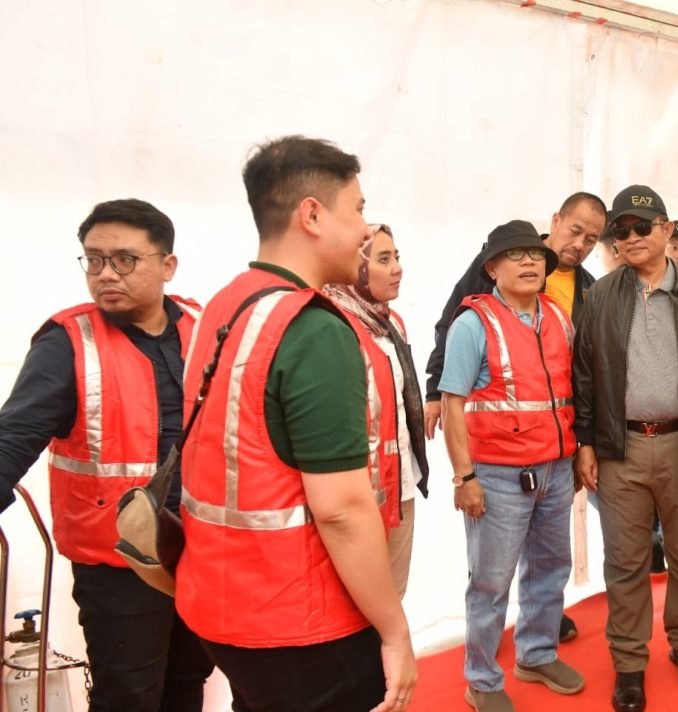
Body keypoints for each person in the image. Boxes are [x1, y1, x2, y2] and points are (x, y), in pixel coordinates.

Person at [176, 135, 417, 712]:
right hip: (302, 618)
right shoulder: (314, 328)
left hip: (221, 600)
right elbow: (339, 508)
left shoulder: (226, 303)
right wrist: (395, 630)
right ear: (312, 215)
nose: (365, 229)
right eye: (356, 208)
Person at [0, 199, 214, 711]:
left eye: (124, 260)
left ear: (168, 265)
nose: (105, 274)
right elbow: (14, 437)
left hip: (203, 546)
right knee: (129, 697)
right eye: (93, 260)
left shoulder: (204, 327)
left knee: (189, 681)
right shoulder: (67, 342)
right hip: (119, 562)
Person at [573, 185, 678, 712]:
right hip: (618, 450)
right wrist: (585, 443)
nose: (630, 238)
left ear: (667, 231)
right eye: (619, 232)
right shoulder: (600, 296)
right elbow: (583, 376)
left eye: (640, 227)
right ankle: (629, 664)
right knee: (624, 565)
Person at [424, 191, 606, 643]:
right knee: (492, 568)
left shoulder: (586, 289)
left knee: (549, 561)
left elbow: (577, 376)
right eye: (575, 230)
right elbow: (452, 322)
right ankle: (484, 661)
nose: (580, 243)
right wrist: (435, 388)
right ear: (555, 220)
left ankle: (538, 637)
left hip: (553, 456)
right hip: (499, 458)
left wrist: (578, 444)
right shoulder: (497, 269)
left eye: (592, 238)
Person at [440, 221, 584, 712]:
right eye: (516, 255)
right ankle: (481, 678)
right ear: (492, 269)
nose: (529, 263)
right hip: (497, 478)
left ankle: (537, 654)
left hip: (556, 471)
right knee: (490, 580)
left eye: (535, 255)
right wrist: (464, 478)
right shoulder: (472, 324)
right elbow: (452, 403)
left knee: (550, 568)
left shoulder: (559, 316)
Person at [324, 224, 430, 598]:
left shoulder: (390, 322)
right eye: (383, 259)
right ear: (356, 266)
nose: (397, 267)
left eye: (397, 256)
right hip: (357, 495)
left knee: (393, 597)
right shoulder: (331, 324)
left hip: (400, 483)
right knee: (354, 605)